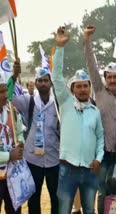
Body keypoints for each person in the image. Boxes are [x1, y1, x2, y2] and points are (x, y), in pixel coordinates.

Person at [53, 26, 104, 214]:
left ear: (89, 88)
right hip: (68, 169)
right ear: (72, 89)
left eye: (85, 86)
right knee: (65, 209)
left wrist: (99, 158)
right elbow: (57, 78)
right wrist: (59, 48)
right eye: (79, 86)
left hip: (91, 170)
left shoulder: (94, 111)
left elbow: (100, 138)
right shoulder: (65, 103)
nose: (83, 89)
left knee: (89, 209)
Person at [83, 24, 116, 214]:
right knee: (102, 190)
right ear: (106, 77)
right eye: (110, 77)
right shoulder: (99, 91)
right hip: (103, 153)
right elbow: (91, 65)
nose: (113, 80)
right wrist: (87, 40)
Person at [12, 67, 60, 214]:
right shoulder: (28, 101)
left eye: (46, 80)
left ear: (51, 83)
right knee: (33, 199)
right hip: (32, 159)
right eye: (40, 80)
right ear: (36, 83)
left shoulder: (58, 104)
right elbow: (9, 96)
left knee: (56, 198)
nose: (43, 83)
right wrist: (14, 76)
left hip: (54, 159)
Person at [0, 68, 25, 214]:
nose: (5, 95)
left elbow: (20, 132)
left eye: (5, 91)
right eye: (1, 92)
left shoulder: (12, 111)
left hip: (13, 175)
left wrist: (20, 143)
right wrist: (9, 155)